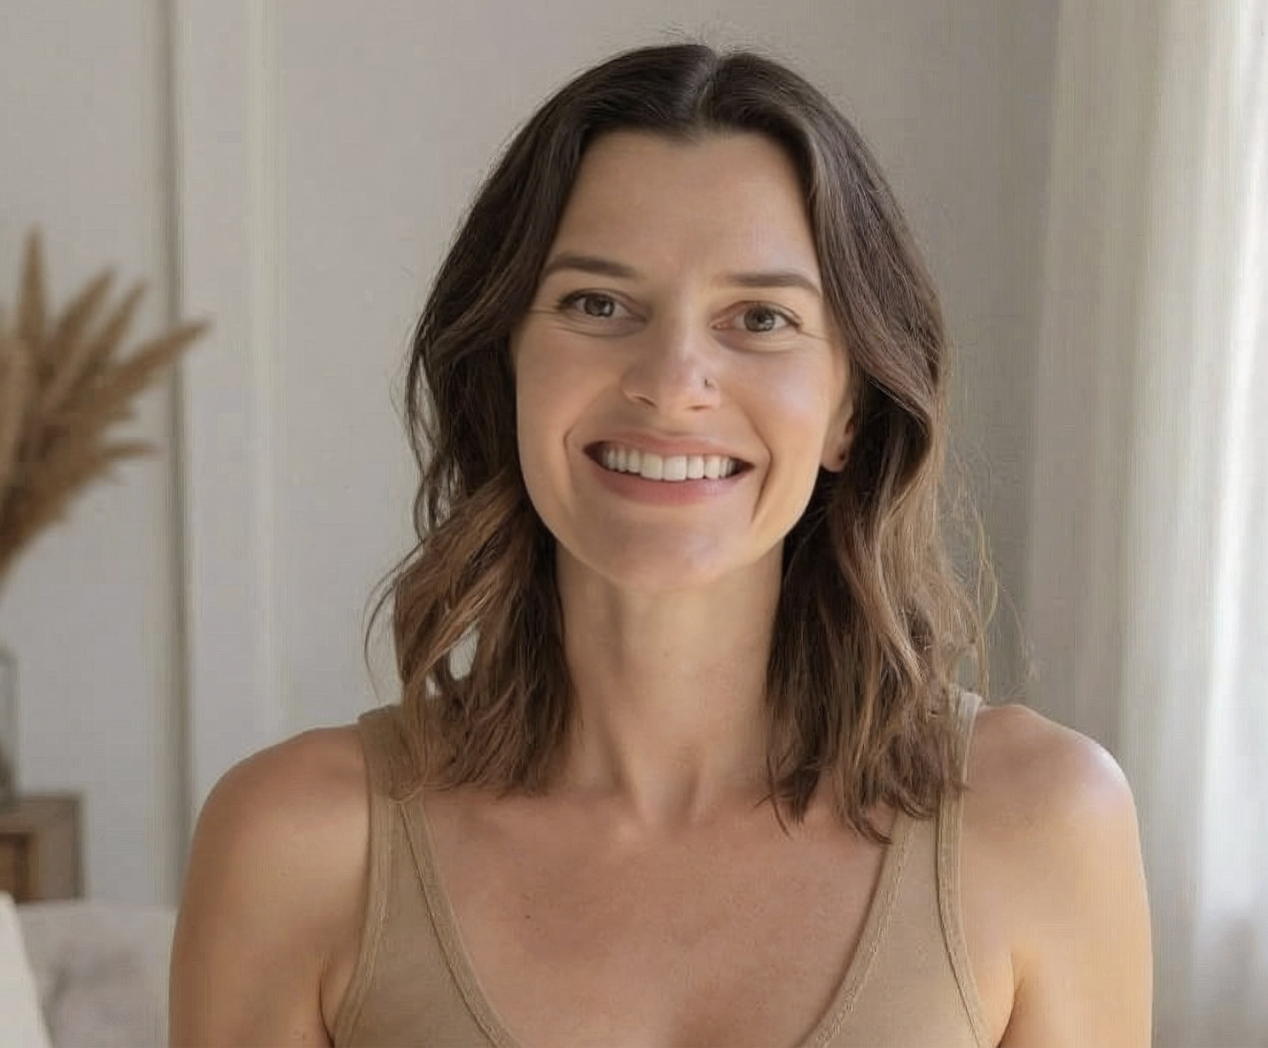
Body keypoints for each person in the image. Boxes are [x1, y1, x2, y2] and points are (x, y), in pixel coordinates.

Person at [169, 43, 1152, 1047]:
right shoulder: (297, 844)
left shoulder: (1040, 824)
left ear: (848, 409)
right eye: (597, 303)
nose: (671, 378)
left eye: (759, 318)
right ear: (503, 369)